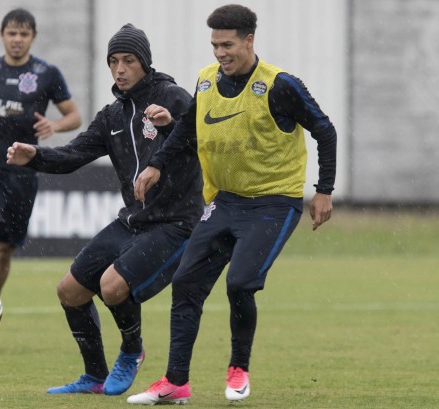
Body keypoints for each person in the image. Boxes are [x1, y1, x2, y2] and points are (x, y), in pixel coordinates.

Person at [129, 4, 337, 405]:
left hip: (274, 203)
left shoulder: (280, 85)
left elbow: (324, 130)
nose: (220, 53)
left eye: (227, 45)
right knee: (186, 283)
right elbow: (188, 128)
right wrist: (156, 165)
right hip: (223, 202)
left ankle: (239, 368)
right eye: (214, 45)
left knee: (240, 283)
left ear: (249, 40)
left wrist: (324, 189)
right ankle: (175, 383)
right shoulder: (206, 81)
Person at [6, 24, 203, 396]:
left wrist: (170, 126)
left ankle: (132, 350)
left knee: (112, 287)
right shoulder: (112, 115)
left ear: (144, 62)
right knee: (69, 290)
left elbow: (201, 144)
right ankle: (94, 376)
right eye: (113, 61)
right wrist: (35, 156)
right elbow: (73, 156)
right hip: (134, 221)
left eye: (128, 60)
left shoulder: (172, 97)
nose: (120, 69)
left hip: (177, 223)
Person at [0, 8, 81, 350]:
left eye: (23, 34)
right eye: (12, 33)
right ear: (2, 35)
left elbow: (74, 114)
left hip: (23, 172)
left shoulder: (47, 73)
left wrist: (54, 125)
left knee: (4, 249)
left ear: (32, 38)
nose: (17, 39)